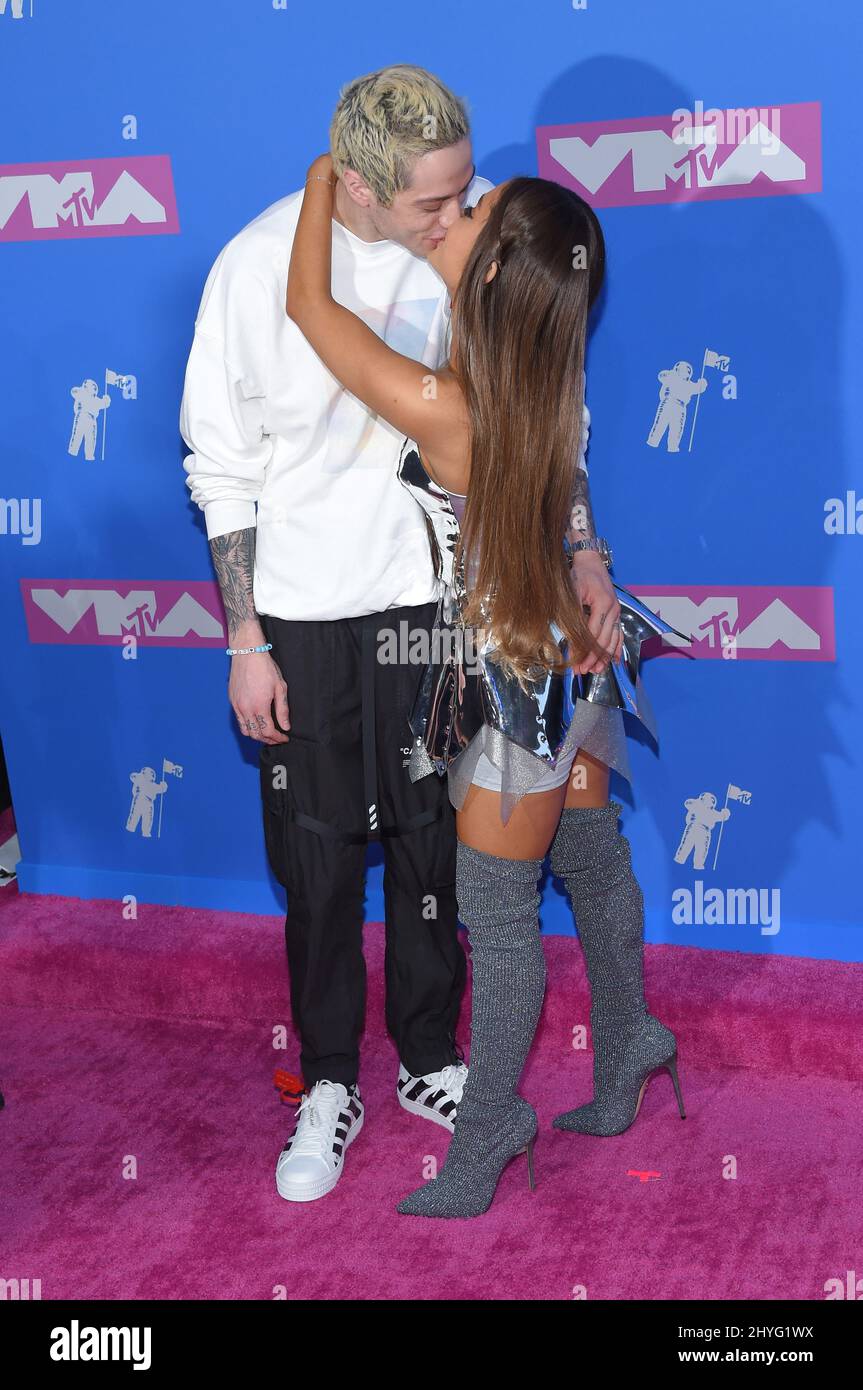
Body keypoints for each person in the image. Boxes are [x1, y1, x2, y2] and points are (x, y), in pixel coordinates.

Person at [286, 148, 690, 1219]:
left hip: (516, 693)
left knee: (501, 924)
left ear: (498, 275)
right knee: (592, 867)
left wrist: (329, 177)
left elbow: (310, 310)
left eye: (469, 214)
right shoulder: (548, 373)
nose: (446, 218)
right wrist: (591, 552)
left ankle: (487, 1132)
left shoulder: (448, 404)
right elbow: (569, 481)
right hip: (584, 664)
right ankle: (630, 1045)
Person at [180, 65, 495, 1204]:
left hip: (432, 611)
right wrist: (244, 638)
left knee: (430, 846)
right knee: (315, 862)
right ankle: (326, 1079)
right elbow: (220, 466)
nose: (455, 215)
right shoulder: (260, 266)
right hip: (304, 620)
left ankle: (428, 1055)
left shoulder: (468, 251)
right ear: (354, 192)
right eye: (430, 202)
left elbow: (533, 415)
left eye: (464, 189)